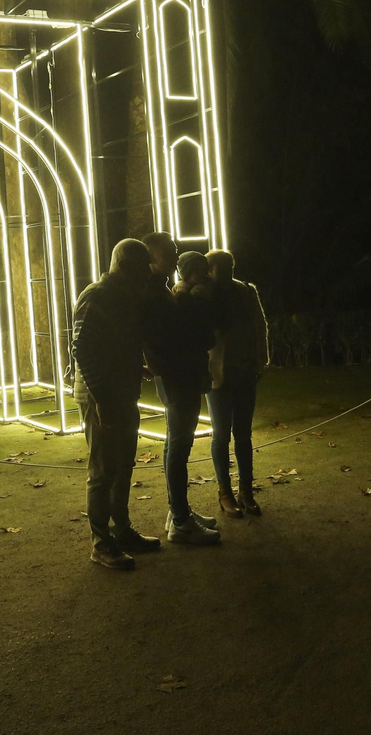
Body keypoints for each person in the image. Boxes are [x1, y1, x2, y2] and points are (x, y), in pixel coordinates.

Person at [71, 238, 161, 570]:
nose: (147, 273)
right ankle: (102, 543)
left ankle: (120, 531)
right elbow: (83, 349)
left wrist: (135, 367)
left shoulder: (123, 297)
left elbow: (112, 345)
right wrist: (103, 401)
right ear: (123, 266)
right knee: (104, 472)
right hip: (102, 398)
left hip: (121, 394)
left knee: (123, 467)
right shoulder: (98, 295)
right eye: (141, 266)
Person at [141, 232, 219, 545]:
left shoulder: (158, 289)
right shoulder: (154, 293)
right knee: (179, 445)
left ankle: (178, 511)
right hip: (177, 375)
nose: (177, 256)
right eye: (170, 252)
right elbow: (173, 337)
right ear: (152, 258)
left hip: (173, 374)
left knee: (175, 443)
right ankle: (181, 522)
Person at [205, 248, 268, 517]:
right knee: (221, 435)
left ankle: (245, 491)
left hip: (244, 372)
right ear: (210, 271)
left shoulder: (246, 291)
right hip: (218, 375)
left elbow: (259, 326)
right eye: (222, 268)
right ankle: (225, 492)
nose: (228, 272)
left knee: (243, 434)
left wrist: (260, 361)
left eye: (230, 267)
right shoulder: (205, 295)